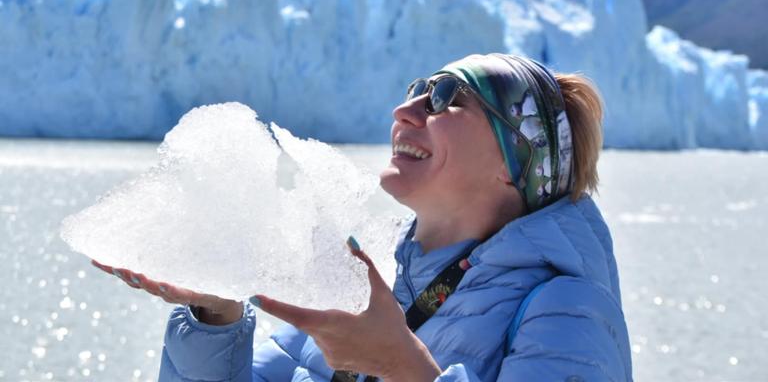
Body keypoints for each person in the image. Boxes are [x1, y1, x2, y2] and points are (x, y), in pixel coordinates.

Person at [93, 53, 633, 381]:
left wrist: (402, 367)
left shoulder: (568, 310)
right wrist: (217, 315)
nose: (405, 110)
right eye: (416, 90)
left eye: (446, 97)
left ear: (518, 160)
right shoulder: (367, 281)